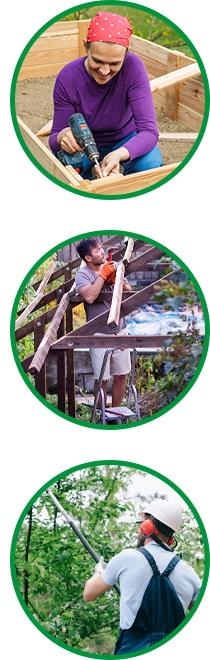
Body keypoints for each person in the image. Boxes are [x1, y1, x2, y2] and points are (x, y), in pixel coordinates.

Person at [49, 11, 162, 179]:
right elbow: (53, 141)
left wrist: (118, 154)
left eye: (115, 63)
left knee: (149, 164)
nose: (104, 71)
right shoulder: (68, 77)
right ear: (85, 46)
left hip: (125, 137)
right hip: (84, 143)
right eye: (98, 61)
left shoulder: (133, 67)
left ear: (127, 52)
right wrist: (62, 137)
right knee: (67, 173)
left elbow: (149, 132)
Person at [83, 499, 201, 654]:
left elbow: (89, 594)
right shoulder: (189, 574)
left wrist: (100, 570)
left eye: (141, 523)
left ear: (148, 527)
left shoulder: (126, 558)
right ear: (171, 537)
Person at [75, 237, 132, 409]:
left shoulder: (112, 265)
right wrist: (103, 275)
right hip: (98, 334)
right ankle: (102, 415)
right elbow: (90, 297)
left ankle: (115, 413)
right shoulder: (82, 275)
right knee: (102, 379)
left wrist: (117, 280)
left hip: (120, 330)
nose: (102, 252)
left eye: (101, 248)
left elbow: (129, 291)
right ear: (88, 258)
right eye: (97, 250)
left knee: (121, 375)